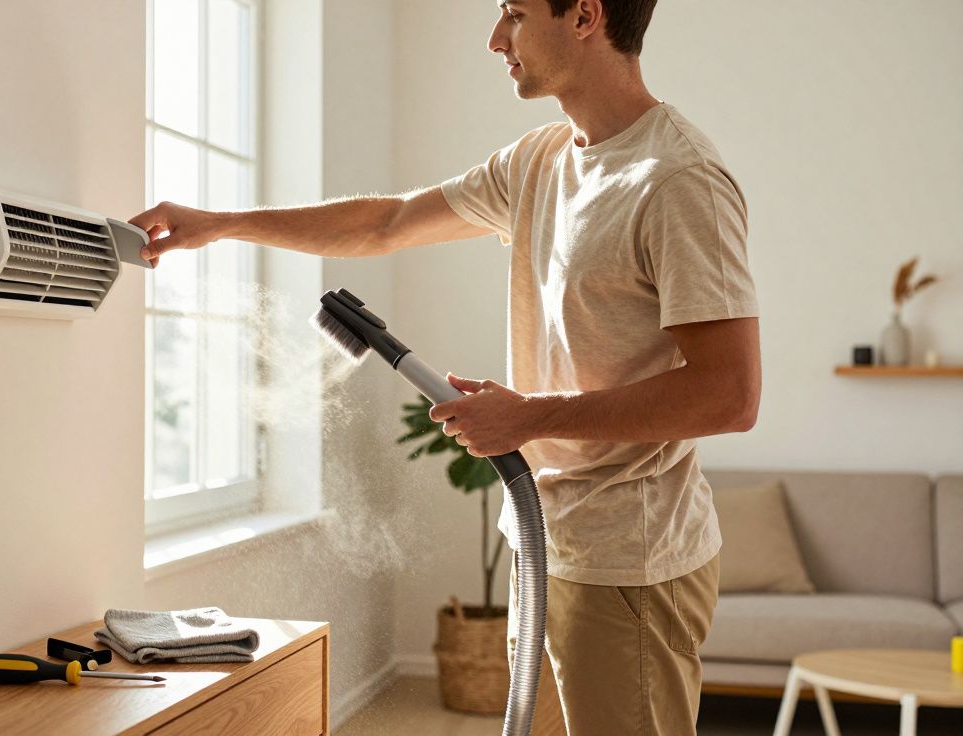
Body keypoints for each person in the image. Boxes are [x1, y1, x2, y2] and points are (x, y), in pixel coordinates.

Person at [129, 0, 760, 733]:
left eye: (514, 14)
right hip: (545, 541)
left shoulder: (678, 178)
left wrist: (530, 417)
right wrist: (224, 225)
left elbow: (729, 393)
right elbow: (388, 222)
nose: (496, 39)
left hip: (629, 561)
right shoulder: (541, 159)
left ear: (585, 15)